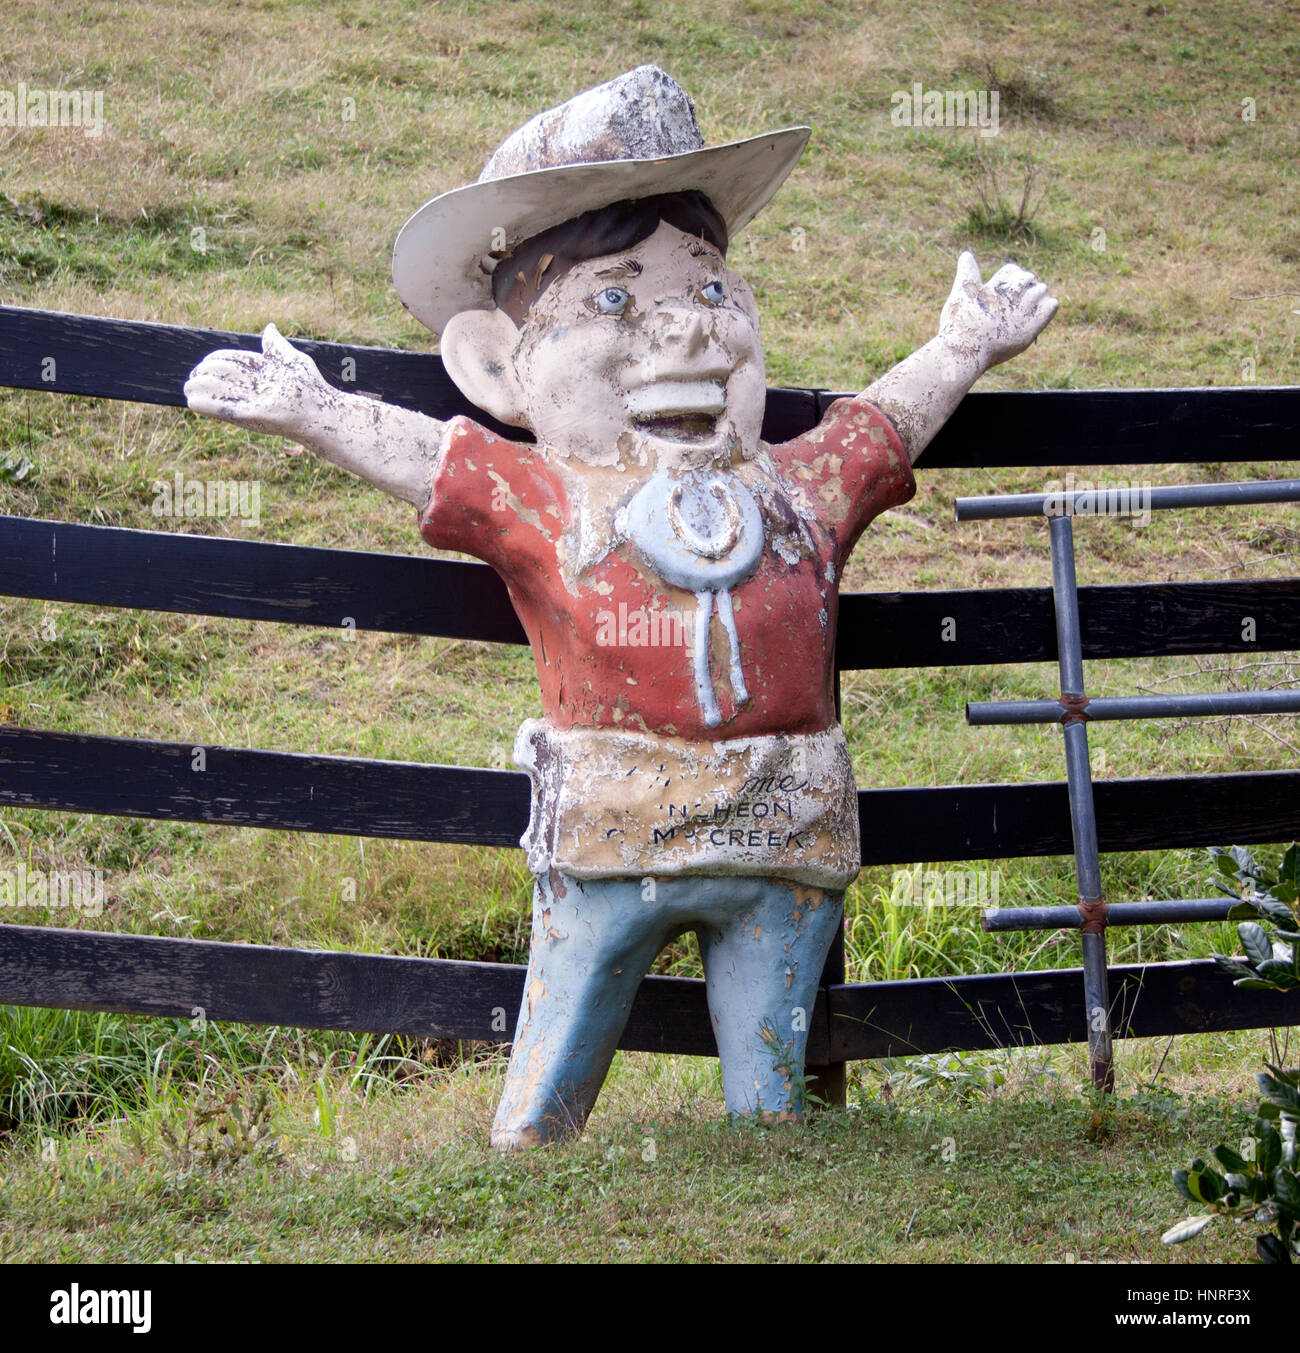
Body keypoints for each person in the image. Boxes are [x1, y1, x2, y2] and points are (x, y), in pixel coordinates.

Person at [184, 65, 1057, 1148]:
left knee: (771, 1063)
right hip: (611, 828)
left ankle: (772, 1137)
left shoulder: (796, 489)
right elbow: (429, 456)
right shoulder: (547, 498)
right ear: (502, 367)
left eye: (708, 290)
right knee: (565, 1030)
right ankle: (536, 1144)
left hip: (788, 828)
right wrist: (314, 410)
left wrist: (962, 345)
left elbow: (880, 423)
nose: (685, 334)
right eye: (612, 300)